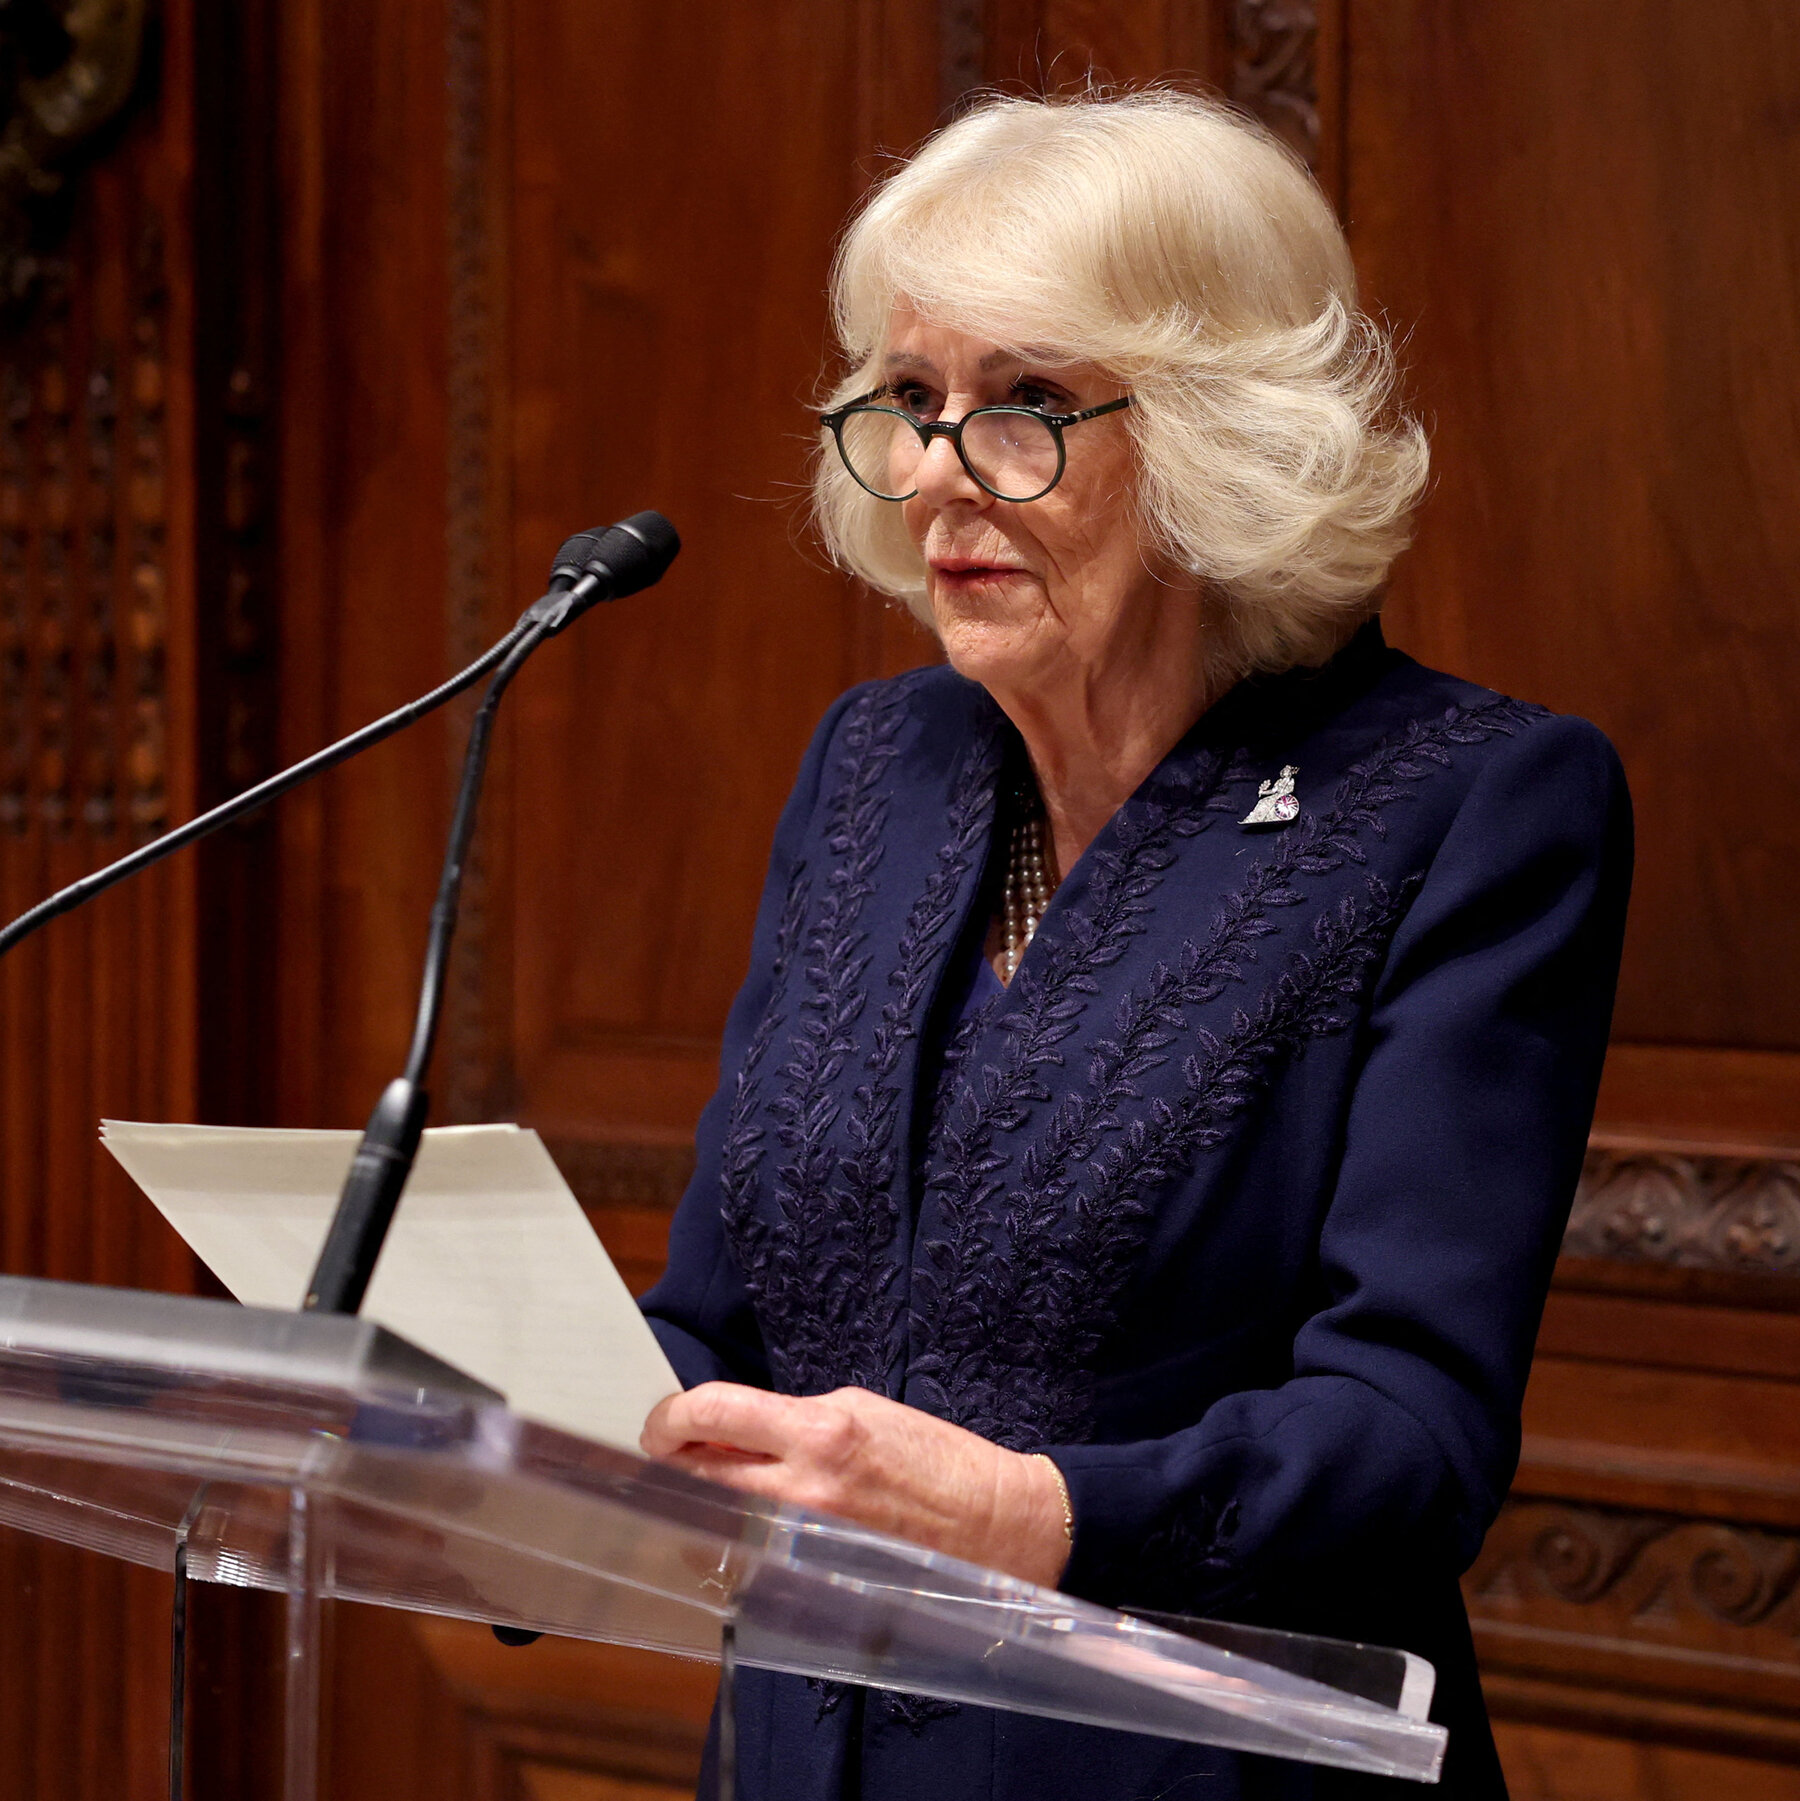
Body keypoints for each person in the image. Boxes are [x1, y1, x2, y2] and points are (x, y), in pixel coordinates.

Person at [639, 88, 1632, 1801]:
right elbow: (719, 1318)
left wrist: (1034, 1512)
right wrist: (504, 1423)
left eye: (1024, 407)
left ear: (1216, 429)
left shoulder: (1466, 806)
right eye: (913, 400)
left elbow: (1410, 1437)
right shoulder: (875, 765)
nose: (942, 467)